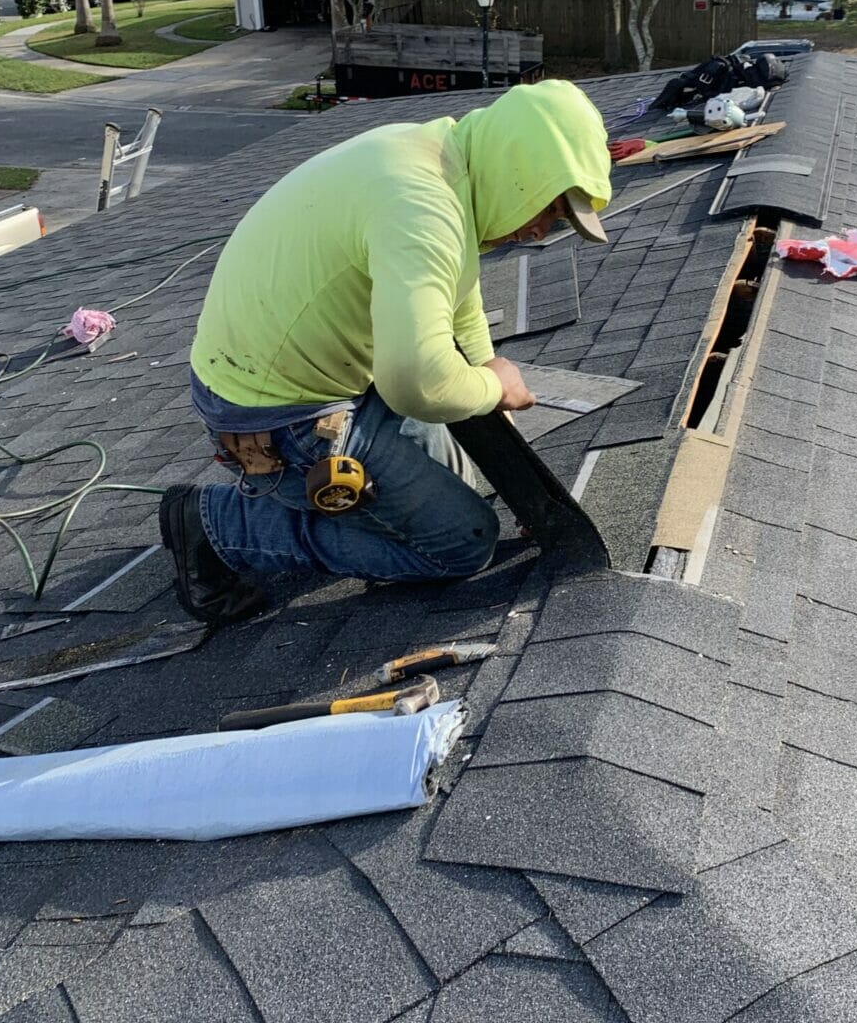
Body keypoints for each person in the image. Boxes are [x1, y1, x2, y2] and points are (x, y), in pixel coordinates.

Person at [159, 78, 611, 625]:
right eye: (551, 209)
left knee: (457, 482)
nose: (542, 232)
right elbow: (415, 381)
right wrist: (497, 386)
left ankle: (367, 505)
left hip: (317, 375)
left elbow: (457, 293)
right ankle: (217, 523)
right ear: (520, 172)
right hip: (277, 414)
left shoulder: (442, 157)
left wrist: (485, 375)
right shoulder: (423, 210)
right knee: (462, 545)